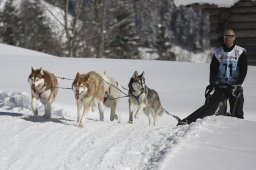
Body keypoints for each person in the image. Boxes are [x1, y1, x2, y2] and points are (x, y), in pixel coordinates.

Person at [209, 28, 248, 119]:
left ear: (234, 38)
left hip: (235, 86)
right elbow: (213, 70)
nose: (228, 38)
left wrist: (238, 84)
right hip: (220, 85)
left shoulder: (240, 52)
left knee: (237, 113)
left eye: (230, 36)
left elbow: (243, 70)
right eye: (226, 36)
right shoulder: (218, 52)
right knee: (215, 111)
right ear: (223, 37)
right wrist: (212, 83)